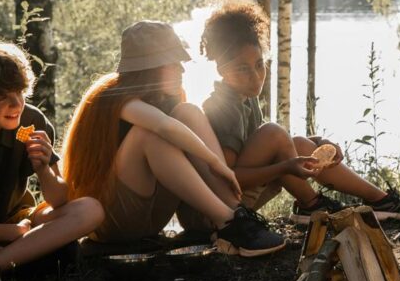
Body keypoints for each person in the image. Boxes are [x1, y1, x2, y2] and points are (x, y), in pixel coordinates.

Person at [199, 0, 400, 224]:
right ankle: (311, 205)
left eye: (259, 64)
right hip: (222, 210)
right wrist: (284, 166)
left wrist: (318, 143)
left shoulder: (244, 98)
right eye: (242, 69)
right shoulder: (222, 108)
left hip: (243, 198)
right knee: (273, 132)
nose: (255, 76)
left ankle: (381, 201)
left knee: (300, 143)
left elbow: (264, 151)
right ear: (221, 69)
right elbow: (228, 178)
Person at [62, 20, 285, 257]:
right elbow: (164, 127)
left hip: (151, 217)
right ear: (150, 69)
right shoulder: (115, 99)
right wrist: (215, 161)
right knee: (149, 134)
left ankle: (237, 216)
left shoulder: (167, 98)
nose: (182, 70)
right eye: (173, 63)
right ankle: (227, 221)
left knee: (188, 111)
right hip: (113, 221)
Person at [0, 43, 104, 272]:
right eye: (3, 96)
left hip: (20, 219)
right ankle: (20, 256)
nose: (17, 104)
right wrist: (11, 233)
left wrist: (44, 169)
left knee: (89, 209)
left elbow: (59, 200)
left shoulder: (32, 121)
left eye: (20, 92)